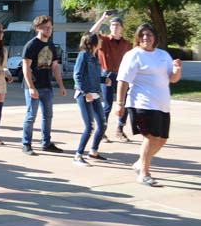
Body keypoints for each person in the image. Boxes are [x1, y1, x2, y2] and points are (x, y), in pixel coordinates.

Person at [116, 23, 182, 186]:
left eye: (149, 35)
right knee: (151, 137)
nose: (146, 38)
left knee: (161, 139)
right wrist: (120, 103)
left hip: (162, 103)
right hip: (142, 103)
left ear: (155, 38)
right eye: (142, 35)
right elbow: (123, 80)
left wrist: (177, 69)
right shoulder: (133, 55)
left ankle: (139, 164)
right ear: (138, 38)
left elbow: (173, 79)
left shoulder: (163, 55)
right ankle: (144, 173)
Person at [21, 15, 66, 155]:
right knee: (31, 116)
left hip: (47, 86)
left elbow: (55, 67)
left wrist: (61, 85)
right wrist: (31, 87)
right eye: (46, 27)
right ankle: (26, 144)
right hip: (33, 86)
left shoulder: (51, 46)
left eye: (50, 27)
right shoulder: (31, 45)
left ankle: (46, 143)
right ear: (37, 28)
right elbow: (25, 68)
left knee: (48, 116)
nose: (49, 29)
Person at [89, 12, 132, 141]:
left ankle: (120, 130)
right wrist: (103, 19)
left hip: (122, 77)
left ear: (122, 27)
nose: (114, 27)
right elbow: (91, 33)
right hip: (106, 75)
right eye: (112, 25)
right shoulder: (104, 40)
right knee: (107, 105)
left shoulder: (127, 44)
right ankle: (102, 131)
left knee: (125, 104)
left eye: (117, 25)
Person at [72, 32, 107, 166]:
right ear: (91, 42)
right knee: (90, 126)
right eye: (99, 39)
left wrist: (104, 79)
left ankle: (93, 151)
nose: (101, 41)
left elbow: (95, 76)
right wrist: (85, 92)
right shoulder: (83, 55)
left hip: (95, 93)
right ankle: (78, 155)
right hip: (84, 95)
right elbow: (77, 75)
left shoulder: (95, 56)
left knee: (102, 124)